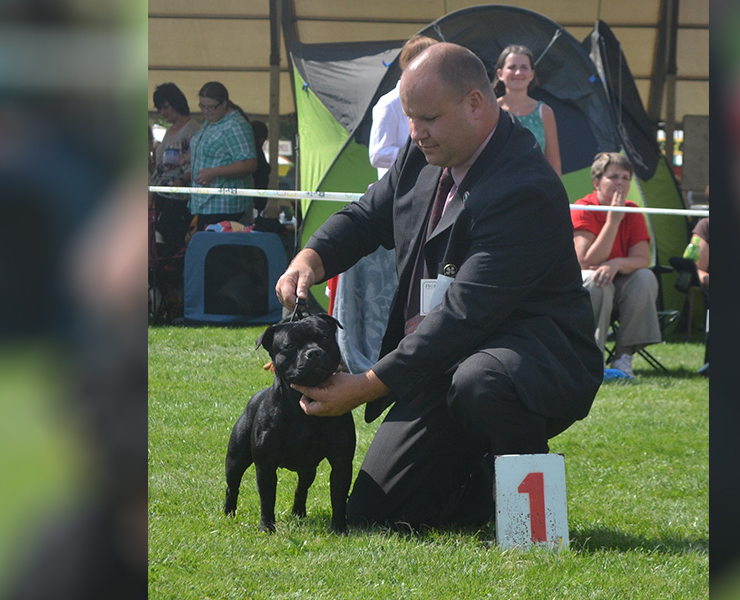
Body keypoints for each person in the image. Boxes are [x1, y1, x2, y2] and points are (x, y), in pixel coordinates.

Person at [276, 43, 601, 529]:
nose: (415, 132)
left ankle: (530, 518)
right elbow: (368, 216)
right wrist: (312, 256)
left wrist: (364, 386)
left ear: (475, 103)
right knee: (372, 514)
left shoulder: (525, 188)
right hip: (441, 360)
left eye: (426, 118)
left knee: (482, 382)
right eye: (409, 118)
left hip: (531, 359)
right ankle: (471, 478)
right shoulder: (422, 151)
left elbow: (465, 315)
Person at [572, 152, 660, 378]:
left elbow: (642, 260)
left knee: (645, 278)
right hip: (586, 284)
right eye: (613, 177)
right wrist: (613, 221)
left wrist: (616, 263)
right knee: (597, 281)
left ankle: (623, 356)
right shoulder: (584, 208)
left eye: (625, 177)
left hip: (619, 280)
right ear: (596, 182)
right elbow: (585, 261)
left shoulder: (632, 211)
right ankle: (594, 358)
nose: (621, 183)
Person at [188, 81, 257, 232]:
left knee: (218, 253)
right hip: (206, 203)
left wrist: (214, 172)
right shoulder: (212, 120)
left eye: (210, 107)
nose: (205, 111)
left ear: (224, 103)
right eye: (202, 106)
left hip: (225, 205)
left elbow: (249, 163)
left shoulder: (235, 125)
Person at [368, 35, 437, 180]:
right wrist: (417, 154)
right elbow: (377, 155)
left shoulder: (431, 98)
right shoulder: (389, 103)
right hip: (397, 189)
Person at [493, 45, 561, 176]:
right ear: (500, 74)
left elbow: (554, 165)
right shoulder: (492, 110)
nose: (518, 73)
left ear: (532, 74)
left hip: (535, 188)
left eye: (524, 68)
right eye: (512, 67)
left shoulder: (544, 112)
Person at [150, 82, 201, 249]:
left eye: (165, 107)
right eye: (159, 109)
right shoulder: (169, 130)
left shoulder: (192, 128)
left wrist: (181, 180)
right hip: (162, 193)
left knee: (169, 241)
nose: (163, 113)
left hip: (178, 198)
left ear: (176, 103)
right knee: (157, 239)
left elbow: (196, 162)